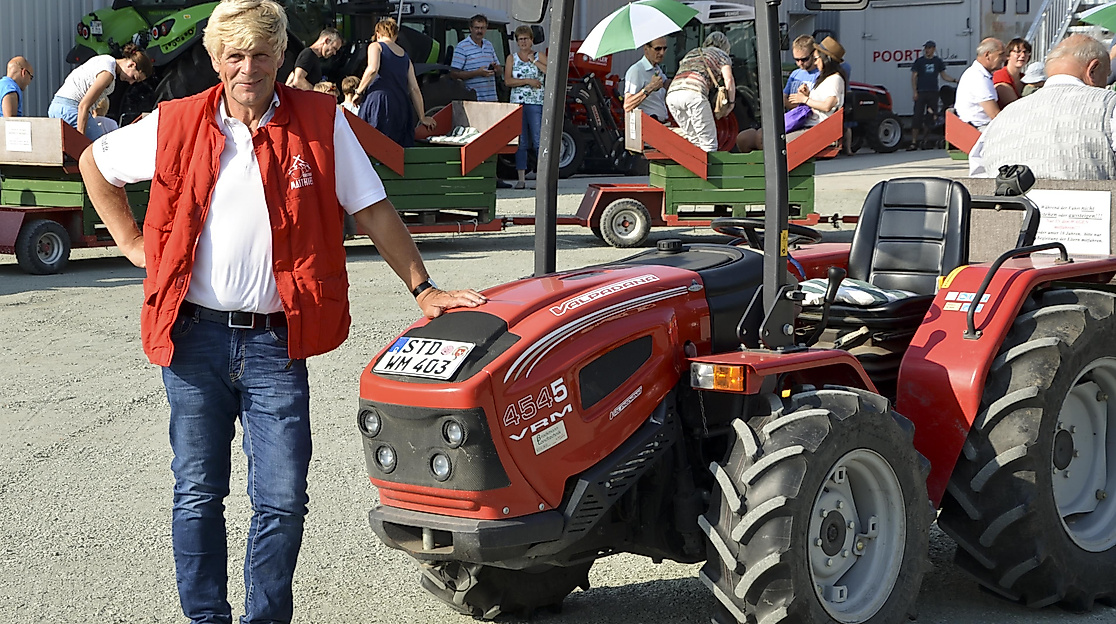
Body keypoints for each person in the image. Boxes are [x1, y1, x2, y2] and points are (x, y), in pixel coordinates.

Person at [76, 1, 486, 622]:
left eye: (261, 54)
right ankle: (206, 617)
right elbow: (94, 164)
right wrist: (133, 244)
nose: (248, 68)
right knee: (197, 495)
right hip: (193, 341)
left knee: (283, 499)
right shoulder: (176, 122)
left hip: (273, 345)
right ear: (215, 61)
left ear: (280, 58)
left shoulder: (320, 121)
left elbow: (372, 209)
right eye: (234, 56)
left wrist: (424, 289)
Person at [969, 34, 1115, 179]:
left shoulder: (1000, 120)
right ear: (1093, 70)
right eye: (1106, 75)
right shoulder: (1109, 105)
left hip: (1014, 201)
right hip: (1086, 201)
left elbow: (979, 179)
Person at [735, 36, 846, 152]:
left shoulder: (835, 79)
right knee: (747, 137)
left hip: (813, 127)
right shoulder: (824, 79)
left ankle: (768, 166)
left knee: (767, 141)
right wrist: (806, 95)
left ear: (826, 59)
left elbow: (827, 105)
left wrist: (804, 99)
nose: (815, 61)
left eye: (817, 58)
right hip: (801, 122)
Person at [355, 17, 437, 148]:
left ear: (378, 34)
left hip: (380, 101)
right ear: (396, 35)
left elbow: (372, 69)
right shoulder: (405, 56)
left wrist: (358, 91)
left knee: (372, 145)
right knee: (395, 148)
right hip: (401, 104)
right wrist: (422, 117)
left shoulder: (376, 46)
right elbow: (414, 88)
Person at [49, 44, 151, 140]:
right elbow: (83, 106)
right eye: (134, 77)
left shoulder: (106, 60)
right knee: (101, 148)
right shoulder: (108, 73)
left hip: (56, 107)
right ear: (131, 65)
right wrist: (80, 141)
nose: (131, 82)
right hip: (71, 110)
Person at [664, 31, 735, 152]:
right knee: (709, 144)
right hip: (693, 94)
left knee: (694, 140)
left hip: (672, 96)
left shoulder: (693, 52)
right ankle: (709, 170)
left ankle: (694, 169)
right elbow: (729, 80)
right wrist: (731, 103)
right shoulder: (721, 55)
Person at [505, 25, 547, 189]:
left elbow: (550, 72)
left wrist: (534, 61)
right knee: (521, 141)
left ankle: (541, 177)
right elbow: (508, 81)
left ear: (531, 40)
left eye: (526, 39)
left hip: (536, 102)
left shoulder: (539, 55)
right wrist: (528, 81)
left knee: (538, 140)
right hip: (518, 103)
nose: (523, 42)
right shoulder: (511, 58)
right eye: (520, 39)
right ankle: (521, 178)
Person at [910, 40, 957, 150]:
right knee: (917, 116)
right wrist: (915, 91)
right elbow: (914, 77)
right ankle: (913, 142)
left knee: (931, 116)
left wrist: (955, 80)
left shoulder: (937, 61)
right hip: (921, 92)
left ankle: (925, 140)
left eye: (929, 48)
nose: (927, 50)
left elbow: (944, 76)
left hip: (933, 92)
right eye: (926, 48)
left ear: (934, 49)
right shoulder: (919, 62)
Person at [954, 37, 1005, 130]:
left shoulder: (977, 73)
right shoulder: (979, 78)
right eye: (1001, 55)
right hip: (979, 129)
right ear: (987, 55)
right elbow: (994, 114)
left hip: (977, 127)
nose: (1004, 58)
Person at [449, 14, 501, 102]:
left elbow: (499, 71)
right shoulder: (462, 47)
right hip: (472, 100)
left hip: (491, 99)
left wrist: (496, 68)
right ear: (470, 28)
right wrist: (477, 73)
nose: (479, 31)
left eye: (482, 28)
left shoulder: (489, 45)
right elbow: (454, 74)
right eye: (477, 28)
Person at [623, 37, 669, 121]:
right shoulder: (636, 70)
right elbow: (628, 105)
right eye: (657, 49)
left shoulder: (657, 68)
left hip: (659, 124)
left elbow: (665, 85)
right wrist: (650, 87)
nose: (662, 53)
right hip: (647, 125)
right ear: (646, 49)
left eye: (664, 48)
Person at [993, 37, 1031, 108]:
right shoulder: (1000, 76)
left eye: (1025, 52)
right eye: (1018, 51)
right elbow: (1016, 107)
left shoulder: (1024, 78)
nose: (1023, 55)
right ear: (1008, 55)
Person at [783, 35, 818, 110]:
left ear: (814, 54)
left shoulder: (821, 75)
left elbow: (819, 103)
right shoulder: (795, 74)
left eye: (804, 59)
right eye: (796, 59)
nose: (800, 63)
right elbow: (784, 96)